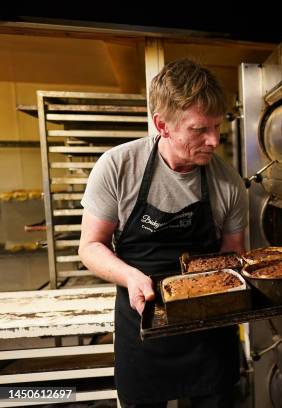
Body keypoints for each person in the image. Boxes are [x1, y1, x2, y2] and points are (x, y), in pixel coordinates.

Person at [79, 58, 247, 408]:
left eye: (218, 126)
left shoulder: (228, 182)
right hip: (143, 323)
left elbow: (232, 256)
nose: (214, 140)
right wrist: (130, 277)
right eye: (200, 129)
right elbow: (91, 246)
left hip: (209, 333)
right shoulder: (118, 167)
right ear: (162, 125)